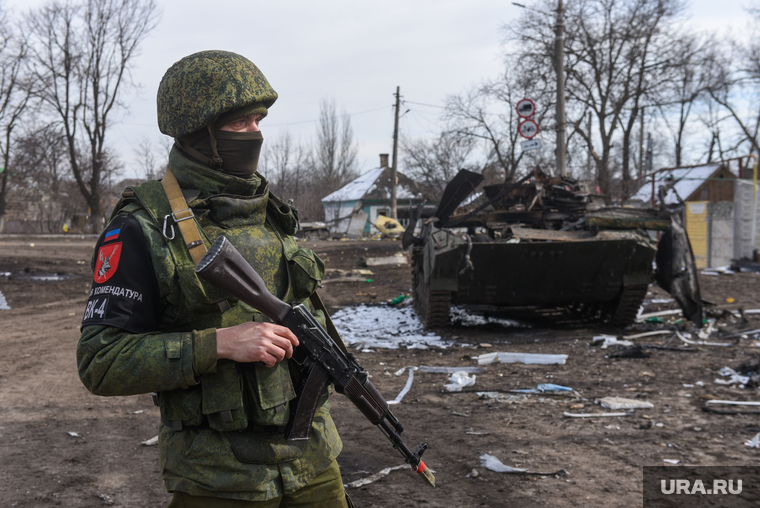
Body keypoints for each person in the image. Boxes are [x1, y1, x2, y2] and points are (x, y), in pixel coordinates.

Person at [77, 50, 351, 507]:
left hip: (314, 462)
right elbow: (100, 362)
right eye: (240, 122)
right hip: (218, 479)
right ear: (198, 131)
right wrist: (220, 343)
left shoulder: (271, 213)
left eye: (259, 120)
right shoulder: (142, 226)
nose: (256, 133)